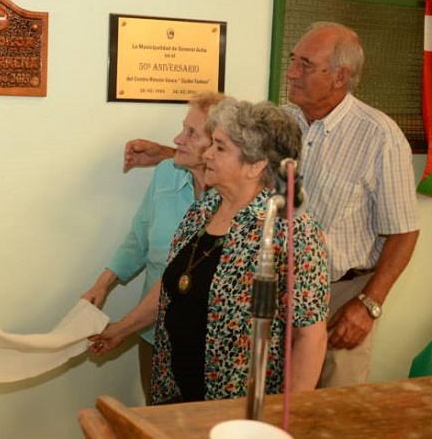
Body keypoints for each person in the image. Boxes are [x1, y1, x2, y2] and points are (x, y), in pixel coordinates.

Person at [124, 23, 421, 388]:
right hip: (268, 298)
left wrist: (369, 305)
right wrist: (172, 154)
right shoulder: (280, 119)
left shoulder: (380, 137)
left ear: (340, 76)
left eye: (306, 64)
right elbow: (242, 165)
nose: (292, 72)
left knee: (328, 415)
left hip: (342, 297)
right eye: (294, 60)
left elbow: (404, 231)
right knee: (265, 406)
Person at [89, 98, 329, 404]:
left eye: (220, 147)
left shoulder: (292, 232)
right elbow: (173, 285)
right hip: (175, 394)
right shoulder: (201, 211)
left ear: (255, 166)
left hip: (238, 408)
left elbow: (310, 335)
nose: (208, 154)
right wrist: (122, 329)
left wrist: (288, 415)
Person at [80, 91, 222, 402]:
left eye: (191, 133)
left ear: (218, 145)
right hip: (153, 333)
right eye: (183, 128)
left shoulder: (233, 201)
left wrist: (121, 328)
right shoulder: (166, 173)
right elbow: (138, 239)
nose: (177, 139)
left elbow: (181, 279)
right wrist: (102, 285)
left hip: (209, 342)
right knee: (158, 421)